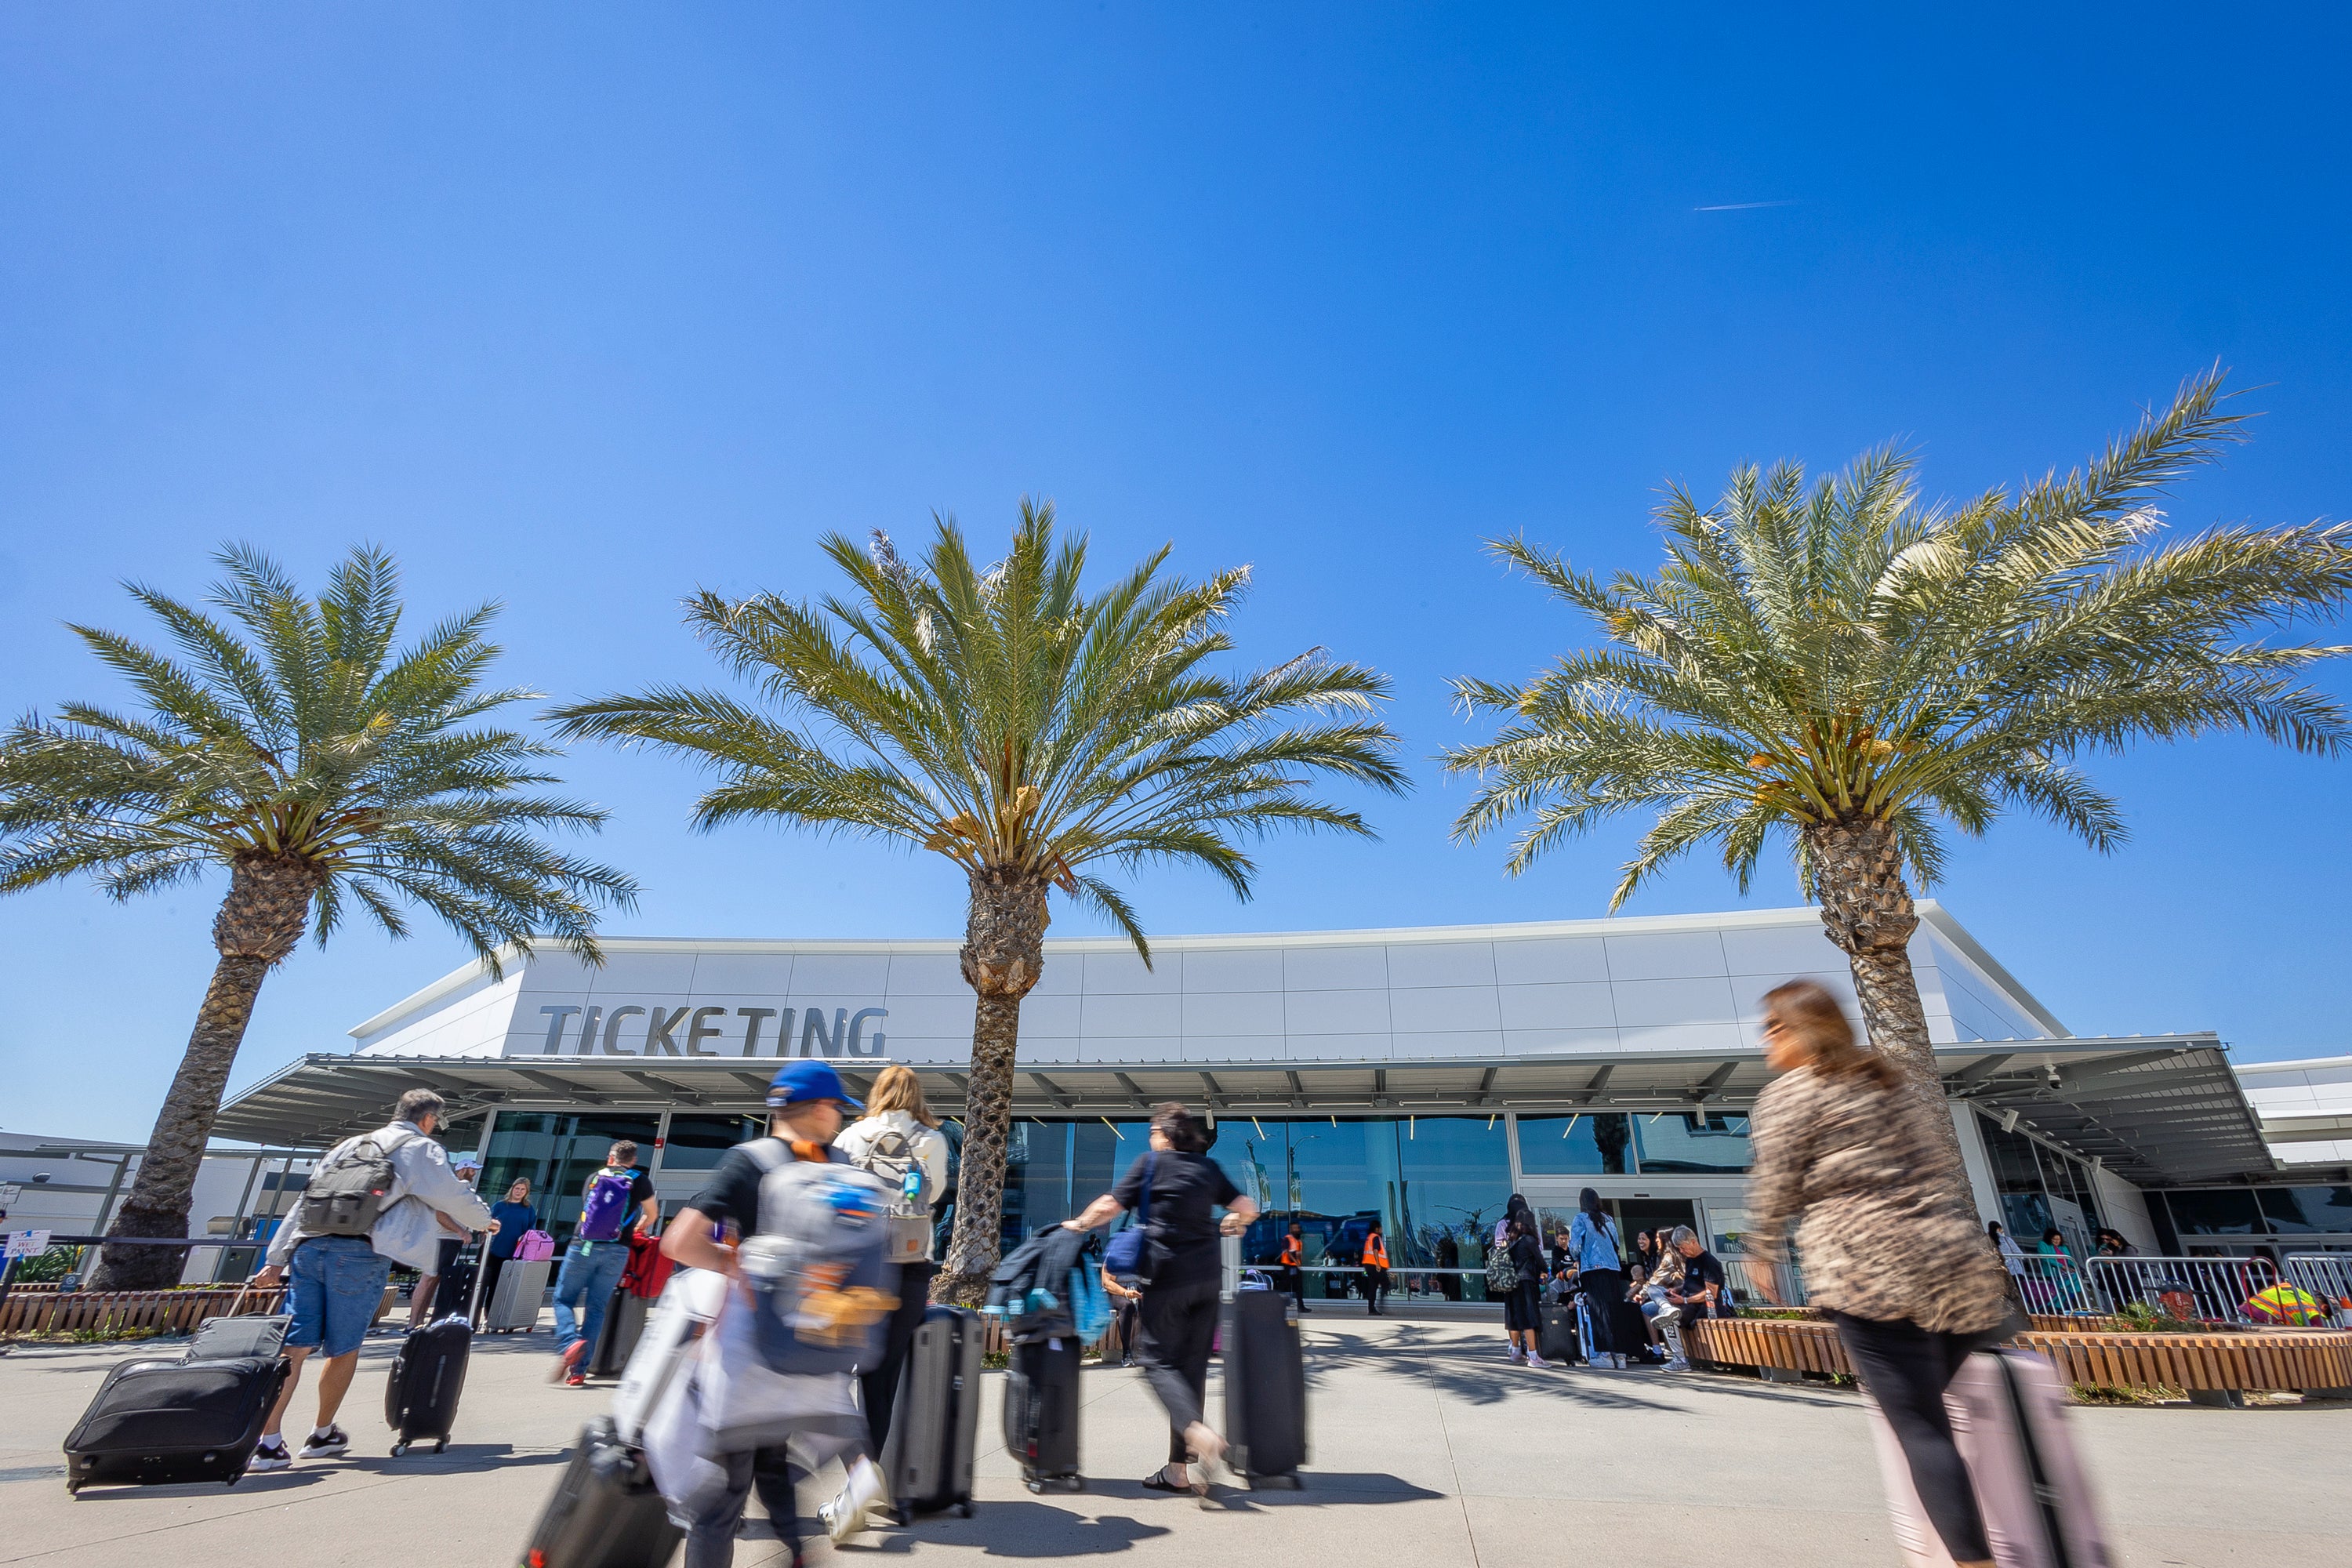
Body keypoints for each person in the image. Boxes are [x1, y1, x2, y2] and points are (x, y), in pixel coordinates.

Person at [1744, 978, 2014, 1568]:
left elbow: (1776, 1182)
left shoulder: (1791, 1093)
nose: (1766, 1039)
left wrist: (1762, 1247)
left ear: (1804, 1030)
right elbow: (1936, 1163)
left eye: (1774, 1027)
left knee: (1922, 1430)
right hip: (1952, 1265)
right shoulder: (1886, 1082)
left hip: (1868, 1268)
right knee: (1928, 1416)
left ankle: (1975, 1561)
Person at [661, 1058, 890, 1564]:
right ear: (820, 1108)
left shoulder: (751, 1161)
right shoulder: (842, 1169)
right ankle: (801, 1552)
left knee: (721, 1502)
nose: (839, 1117)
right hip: (817, 1355)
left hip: (748, 1361)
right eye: (836, 1107)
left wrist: (734, 1263)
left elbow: (678, 1243)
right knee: (779, 1469)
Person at [248, 1089, 495, 1470]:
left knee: (294, 1347)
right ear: (428, 1119)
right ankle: (321, 1433)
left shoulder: (349, 1145)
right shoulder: (421, 1148)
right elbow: (451, 1194)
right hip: (359, 1253)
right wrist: (484, 1221)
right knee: (343, 1348)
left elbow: (304, 1201)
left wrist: (274, 1260)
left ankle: (268, 1444)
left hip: (308, 1248)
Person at [1062, 1102, 1260, 1503]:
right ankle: (1177, 1471)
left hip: (1169, 1279)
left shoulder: (1151, 1164)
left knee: (1154, 1360)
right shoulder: (1207, 1168)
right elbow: (1247, 1208)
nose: (1151, 1138)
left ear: (1166, 1136)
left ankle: (1199, 1433)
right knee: (1190, 1374)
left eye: (1153, 1132)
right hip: (1208, 1281)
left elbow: (1110, 1205)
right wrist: (1233, 1222)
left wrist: (1078, 1224)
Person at [830, 1065, 949, 1475]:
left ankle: (850, 1467)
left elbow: (834, 1194)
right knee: (882, 1379)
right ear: (918, 1096)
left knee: (830, 1373)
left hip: (856, 1265)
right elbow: (934, 1192)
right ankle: (867, 1479)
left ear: (877, 1093)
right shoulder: (931, 1139)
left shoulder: (851, 1135)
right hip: (909, 1266)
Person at [551, 1138, 660, 1387]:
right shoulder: (640, 1180)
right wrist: (639, 1227)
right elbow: (652, 1214)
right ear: (633, 1160)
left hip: (583, 1247)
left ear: (611, 1158)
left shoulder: (595, 1177)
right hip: (617, 1251)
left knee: (563, 1299)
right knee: (596, 1307)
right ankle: (579, 1372)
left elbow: (587, 1211)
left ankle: (570, 1342)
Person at [408, 1156, 483, 1327]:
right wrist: (460, 1231)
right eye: (471, 1170)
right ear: (462, 1170)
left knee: (434, 1281)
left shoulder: (463, 1190)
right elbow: (440, 1215)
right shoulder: (449, 1189)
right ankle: (412, 1324)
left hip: (452, 1240)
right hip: (441, 1238)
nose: (474, 1173)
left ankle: (420, 1323)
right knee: (428, 1279)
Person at [1567, 1188, 1627, 1368]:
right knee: (1614, 1309)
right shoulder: (1608, 1219)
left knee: (1599, 1310)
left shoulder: (1581, 1218)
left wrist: (1576, 1257)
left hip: (1593, 1268)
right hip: (1612, 1268)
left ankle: (1605, 1354)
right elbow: (1616, 1242)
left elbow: (1575, 1246)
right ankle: (1620, 1355)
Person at [1655, 1226, 1725, 1372]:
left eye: (1682, 1247)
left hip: (1702, 1307)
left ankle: (1680, 1360)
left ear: (1693, 1242)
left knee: (1667, 1318)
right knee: (1653, 1291)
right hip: (1685, 1300)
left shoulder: (1709, 1262)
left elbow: (1711, 1293)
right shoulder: (1690, 1260)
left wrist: (1685, 1300)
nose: (1681, 1251)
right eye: (1679, 1248)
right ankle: (1668, 1308)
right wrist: (1676, 1289)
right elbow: (1690, 1283)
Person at [478, 1176, 539, 1325]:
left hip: (513, 1254)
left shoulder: (528, 1209)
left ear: (526, 1193)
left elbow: (531, 1231)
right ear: (512, 1189)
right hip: (492, 1250)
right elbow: (486, 1223)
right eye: (517, 1188)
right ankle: (473, 1317)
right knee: (482, 1284)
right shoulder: (500, 1206)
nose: (519, 1192)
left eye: (522, 1190)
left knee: (499, 1287)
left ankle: (491, 1318)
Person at [1501, 1213, 1550, 1366]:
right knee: (1529, 1319)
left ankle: (1516, 1351)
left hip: (1511, 1284)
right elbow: (1540, 1261)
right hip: (1525, 1282)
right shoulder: (1529, 1240)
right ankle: (1533, 1356)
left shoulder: (1511, 1241)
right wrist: (1544, 1271)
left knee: (1514, 1318)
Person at [1105, 1261, 1144, 1367]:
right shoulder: (1114, 1256)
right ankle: (1126, 1352)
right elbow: (1106, 1282)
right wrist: (1125, 1293)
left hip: (1138, 1289)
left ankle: (1151, 1350)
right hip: (1115, 1291)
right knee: (1127, 1306)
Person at [1360, 1217, 1390, 1314]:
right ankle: (1381, 1303)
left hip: (1368, 1266)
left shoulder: (1369, 1237)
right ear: (1377, 1229)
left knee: (1373, 1287)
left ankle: (1371, 1309)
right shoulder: (1376, 1237)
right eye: (1380, 1227)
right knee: (1386, 1283)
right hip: (1375, 1266)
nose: (1382, 1229)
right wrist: (1378, 1264)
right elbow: (1375, 1250)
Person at [1279, 1221, 1309, 1314]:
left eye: (1298, 1228)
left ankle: (1301, 1307)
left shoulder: (1298, 1240)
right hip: (1288, 1266)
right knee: (1285, 1286)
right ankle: (1277, 1305)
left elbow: (1298, 1253)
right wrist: (1296, 1262)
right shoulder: (1287, 1238)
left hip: (1295, 1267)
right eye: (1295, 1228)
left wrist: (1300, 1262)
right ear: (1290, 1229)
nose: (1297, 1230)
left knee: (1299, 1287)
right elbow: (1288, 1252)